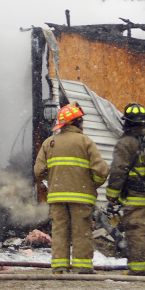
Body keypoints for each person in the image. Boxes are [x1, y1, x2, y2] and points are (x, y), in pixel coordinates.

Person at [34, 102, 109, 274]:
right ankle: (82, 268)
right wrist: (92, 183)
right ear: (76, 122)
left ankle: (59, 267)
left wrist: (53, 178)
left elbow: (39, 171)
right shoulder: (85, 142)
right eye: (81, 121)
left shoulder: (49, 143)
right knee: (81, 232)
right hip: (82, 197)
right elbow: (102, 171)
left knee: (59, 231)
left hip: (57, 198)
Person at [106, 103, 145, 276]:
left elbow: (118, 171)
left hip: (137, 199)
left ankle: (139, 271)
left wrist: (112, 196)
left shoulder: (125, 144)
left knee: (137, 234)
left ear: (126, 122)